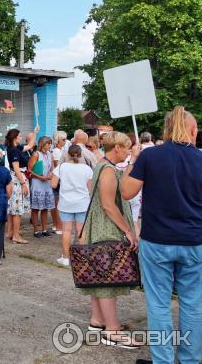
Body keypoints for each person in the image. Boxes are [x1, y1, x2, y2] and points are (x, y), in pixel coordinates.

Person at [121, 106, 202, 364]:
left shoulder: (150, 156)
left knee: (158, 305)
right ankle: (190, 359)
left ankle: (163, 360)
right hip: (195, 241)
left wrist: (133, 159)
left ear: (165, 131)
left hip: (156, 241)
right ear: (193, 130)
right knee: (193, 304)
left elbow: (126, 192)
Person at [79, 131, 139, 348]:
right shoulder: (107, 170)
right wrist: (128, 231)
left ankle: (97, 321)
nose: (128, 150)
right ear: (117, 148)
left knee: (100, 276)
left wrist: (133, 162)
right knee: (109, 280)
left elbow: (120, 185)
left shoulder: (104, 166)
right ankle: (112, 330)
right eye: (127, 147)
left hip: (100, 228)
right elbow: (108, 204)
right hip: (107, 230)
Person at [50, 145, 93, 267]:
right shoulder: (87, 169)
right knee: (81, 231)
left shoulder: (62, 167)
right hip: (83, 203)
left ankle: (65, 258)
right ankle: (83, 259)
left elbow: (53, 184)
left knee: (66, 230)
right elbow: (90, 188)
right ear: (81, 155)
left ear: (68, 154)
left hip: (66, 203)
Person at [5, 126, 39, 244]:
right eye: (19, 136)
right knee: (17, 209)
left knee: (12, 208)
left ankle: (10, 232)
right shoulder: (13, 150)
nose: (21, 137)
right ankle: (16, 235)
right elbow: (16, 168)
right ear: (14, 138)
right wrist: (23, 183)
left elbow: (30, 145)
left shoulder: (15, 147)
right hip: (17, 179)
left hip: (17, 178)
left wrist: (34, 133)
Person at [28, 136, 56, 238]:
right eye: (48, 143)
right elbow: (29, 169)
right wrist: (40, 177)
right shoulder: (36, 154)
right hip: (37, 183)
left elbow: (52, 168)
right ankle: (36, 230)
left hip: (46, 183)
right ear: (42, 144)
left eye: (50, 143)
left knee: (45, 208)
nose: (49, 145)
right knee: (36, 208)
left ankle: (44, 229)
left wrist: (50, 174)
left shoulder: (50, 155)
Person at [51, 131, 68, 234]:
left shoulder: (60, 150)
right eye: (63, 139)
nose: (65, 141)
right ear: (58, 140)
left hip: (59, 178)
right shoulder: (57, 151)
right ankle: (58, 226)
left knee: (56, 203)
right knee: (57, 204)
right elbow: (58, 166)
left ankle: (56, 225)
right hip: (58, 179)